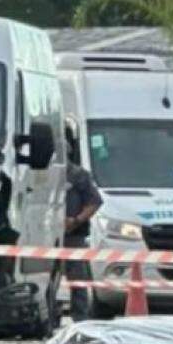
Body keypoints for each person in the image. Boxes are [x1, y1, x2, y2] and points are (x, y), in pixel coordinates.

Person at [64, 129, 103, 323]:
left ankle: (80, 318)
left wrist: (77, 220)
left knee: (77, 278)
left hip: (73, 235)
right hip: (46, 236)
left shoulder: (78, 175)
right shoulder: (43, 173)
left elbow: (94, 202)